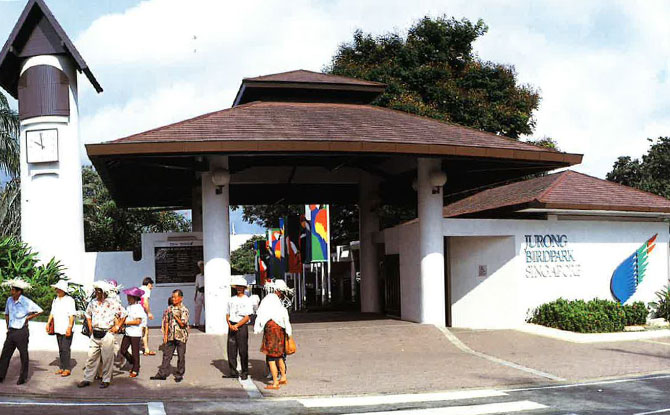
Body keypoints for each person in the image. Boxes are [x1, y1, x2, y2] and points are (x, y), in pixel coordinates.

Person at [78, 280, 127, 389]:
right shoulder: (93, 303)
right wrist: (90, 327)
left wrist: (117, 326)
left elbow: (123, 314)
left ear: (103, 292)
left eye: (98, 291)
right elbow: (88, 314)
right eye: (95, 291)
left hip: (107, 333)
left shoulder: (112, 303)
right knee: (91, 357)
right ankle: (87, 378)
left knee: (107, 358)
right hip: (95, 332)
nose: (96, 293)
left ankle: (106, 379)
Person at [0, 278, 43, 385]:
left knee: (23, 354)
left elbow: (40, 310)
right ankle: (1, 375)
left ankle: (22, 377)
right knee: (5, 354)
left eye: (13, 290)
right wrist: (8, 326)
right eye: (11, 290)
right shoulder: (9, 300)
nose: (11, 292)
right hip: (11, 331)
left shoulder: (26, 301)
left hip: (21, 331)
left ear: (19, 291)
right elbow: (6, 313)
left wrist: (28, 318)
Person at [254, 279, 293, 390]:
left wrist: (258, 327)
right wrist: (289, 332)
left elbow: (260, 313)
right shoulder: (278, 302)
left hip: (271, 329)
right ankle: (283, 377)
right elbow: (285, 317)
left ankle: (275, 382)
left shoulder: (268, 299)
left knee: (271, 357)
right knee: (280, 355)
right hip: (281, 329)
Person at [151, 289, 189, 382]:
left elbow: (183, 324)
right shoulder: (169, 309)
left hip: (181, 336)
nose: (173, 299)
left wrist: (175, 316)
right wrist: (165, 335)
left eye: (175, 297)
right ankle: (162, 374)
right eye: (172, 297)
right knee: (167, 355)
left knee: (181, 356)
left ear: (181, 298)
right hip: (171, 336)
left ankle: (179, 374)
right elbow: (166, 322)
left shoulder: (184, 310)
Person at [225, 276, 254, 380]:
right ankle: (233, 371)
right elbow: (227, 313)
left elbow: (247, 316)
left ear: (244, 288)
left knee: (243, 350)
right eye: (237, 287)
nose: (238, 289)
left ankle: (245, 371)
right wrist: (229, 324)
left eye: (241, 287)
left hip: (241, 326)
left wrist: (237, 325)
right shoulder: (231, 300)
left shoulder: (247, 300)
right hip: (232, 324)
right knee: (231, 349)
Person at [47, 280, 76, 377]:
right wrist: (48, 323)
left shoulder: (69, 300)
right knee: (60, 348)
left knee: (65, 348)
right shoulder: (55, 300)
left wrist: (69, 327)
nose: (57, 290)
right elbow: (52, 312)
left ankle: (67, 368)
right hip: (58, 327)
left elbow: (72, 315)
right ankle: (62, 367)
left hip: (66, 328)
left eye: (59, 288)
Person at [119, 287, 147, 378]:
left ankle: (136, 368)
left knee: (135, 352)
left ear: (134, 298)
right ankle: (132, 361)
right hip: (128, 332)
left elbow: (138, 321)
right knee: (123, 349)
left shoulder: (138, 308)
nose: (128, 298)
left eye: (129, 296)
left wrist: (125, 322)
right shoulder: (128, 307)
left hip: (135, 333)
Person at [140, 277, 155, 355]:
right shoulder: (146, 290)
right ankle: (146, 348)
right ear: (149, 284)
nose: (152, 287)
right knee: (145, 330)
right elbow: (145, 302)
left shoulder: (139, 289)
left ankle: (143, 348)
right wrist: (149, 312)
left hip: (136, 311)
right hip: (142, 312)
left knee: (140, 329)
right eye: (151, 285)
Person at [193, 260, 205, 329]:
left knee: (207, 309)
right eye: (201, 266)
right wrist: (195, 295)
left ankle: (206, 323)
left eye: (203, 265)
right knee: (197, 309)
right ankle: (196, 323)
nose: (202, 267)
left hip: (206, 293)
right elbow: (196, 286)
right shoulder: (198, 276)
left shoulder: (208, 275)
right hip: (199, 293)